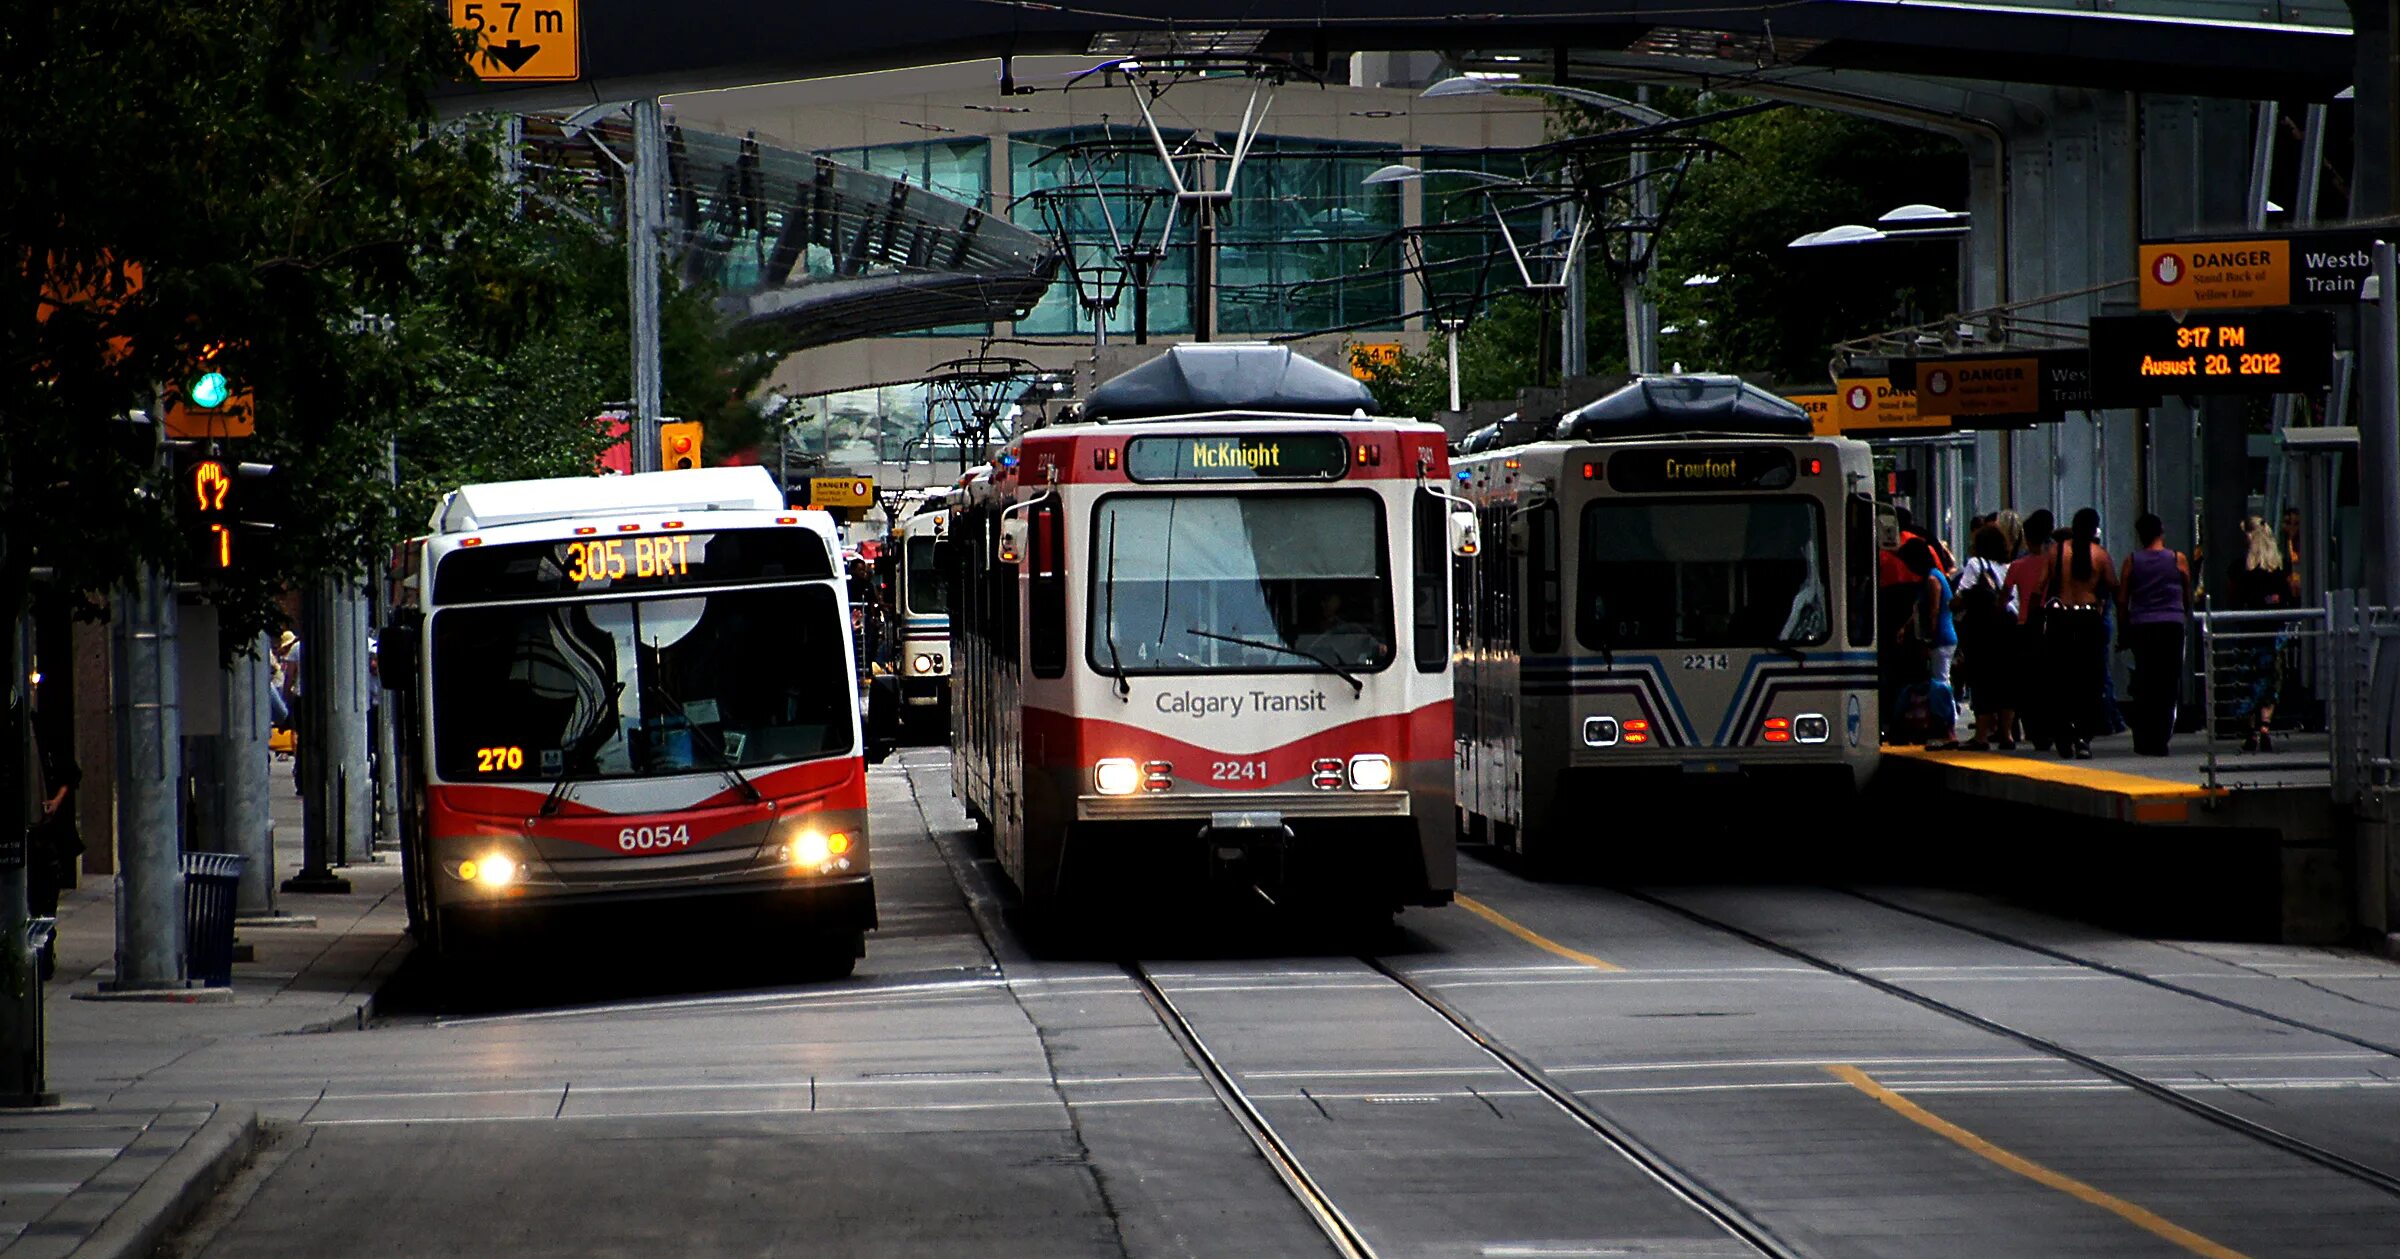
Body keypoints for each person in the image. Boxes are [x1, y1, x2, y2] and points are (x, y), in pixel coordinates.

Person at [2042, 507, 2117, 760]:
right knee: (2089, 680)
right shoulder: (2100, 555)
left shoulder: (2057, 552)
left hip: (2061, 618)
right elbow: (2114, 587)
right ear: (2095, 528)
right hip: (2088, 619)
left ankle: (2063, 732)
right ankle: (2084, 737)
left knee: (2061, 678)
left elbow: (2044, 584)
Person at [2117, 513, 2192, 756]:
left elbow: (2122, 599)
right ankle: (2161, 738)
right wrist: (2184, 614)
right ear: (2161, 531)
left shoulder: (2132, 561)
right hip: (2171, 624)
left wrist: (2124, 629)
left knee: (2145, 681)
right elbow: (2187, 592)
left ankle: (2143, 737)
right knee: (2167, 682)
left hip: (2142, 625)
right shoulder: (2177, 559)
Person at [2227, 514, 2293, 752]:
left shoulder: (2239, 568)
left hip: (2249, 631)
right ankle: (2265, 725)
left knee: (2248, 679)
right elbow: (2289, 597)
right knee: (2271, 680)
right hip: (2273, 633)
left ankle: (2251, 730)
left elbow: (2233, 598)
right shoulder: (2279, 567)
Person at [1953, 524, 2019, 750]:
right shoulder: (2010, 566)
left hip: (1983, 631)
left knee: (1983, 680)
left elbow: (1962, 595)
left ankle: (1981, 735)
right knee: (2006, 681)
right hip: (2009, 628)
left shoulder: (1975, 564)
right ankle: (2007, 734)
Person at [2001, 509, 2055, 750]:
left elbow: (2003, 598)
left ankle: (2034, 730)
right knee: (2049, 678)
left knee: (2027, 681)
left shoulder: (2017, 565)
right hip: (2051, 623)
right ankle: (2051, 726)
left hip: (2025, 625)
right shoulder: (2054, 563)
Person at [1897, 537, 1958, 745]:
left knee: (1941, 682)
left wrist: (1928, 639)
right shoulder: (1930, 577)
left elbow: (1932, 612)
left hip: (1941, 638)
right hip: (1940, 637)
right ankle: (1943, 722)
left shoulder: (1933, 580)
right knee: (1940, 680)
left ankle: (1948, 725)